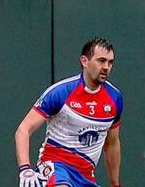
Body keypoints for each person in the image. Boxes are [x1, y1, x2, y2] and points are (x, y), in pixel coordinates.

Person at [14, 38, 123, 187]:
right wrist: (25, 168)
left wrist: (115, 184)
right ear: (84, 61)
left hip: (85, 176)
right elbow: (23, 130)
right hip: (55, 166)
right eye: (101, 61)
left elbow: (111, 144)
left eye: (110, 62)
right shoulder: (60, 92)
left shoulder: (114, 98)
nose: (106, 67)